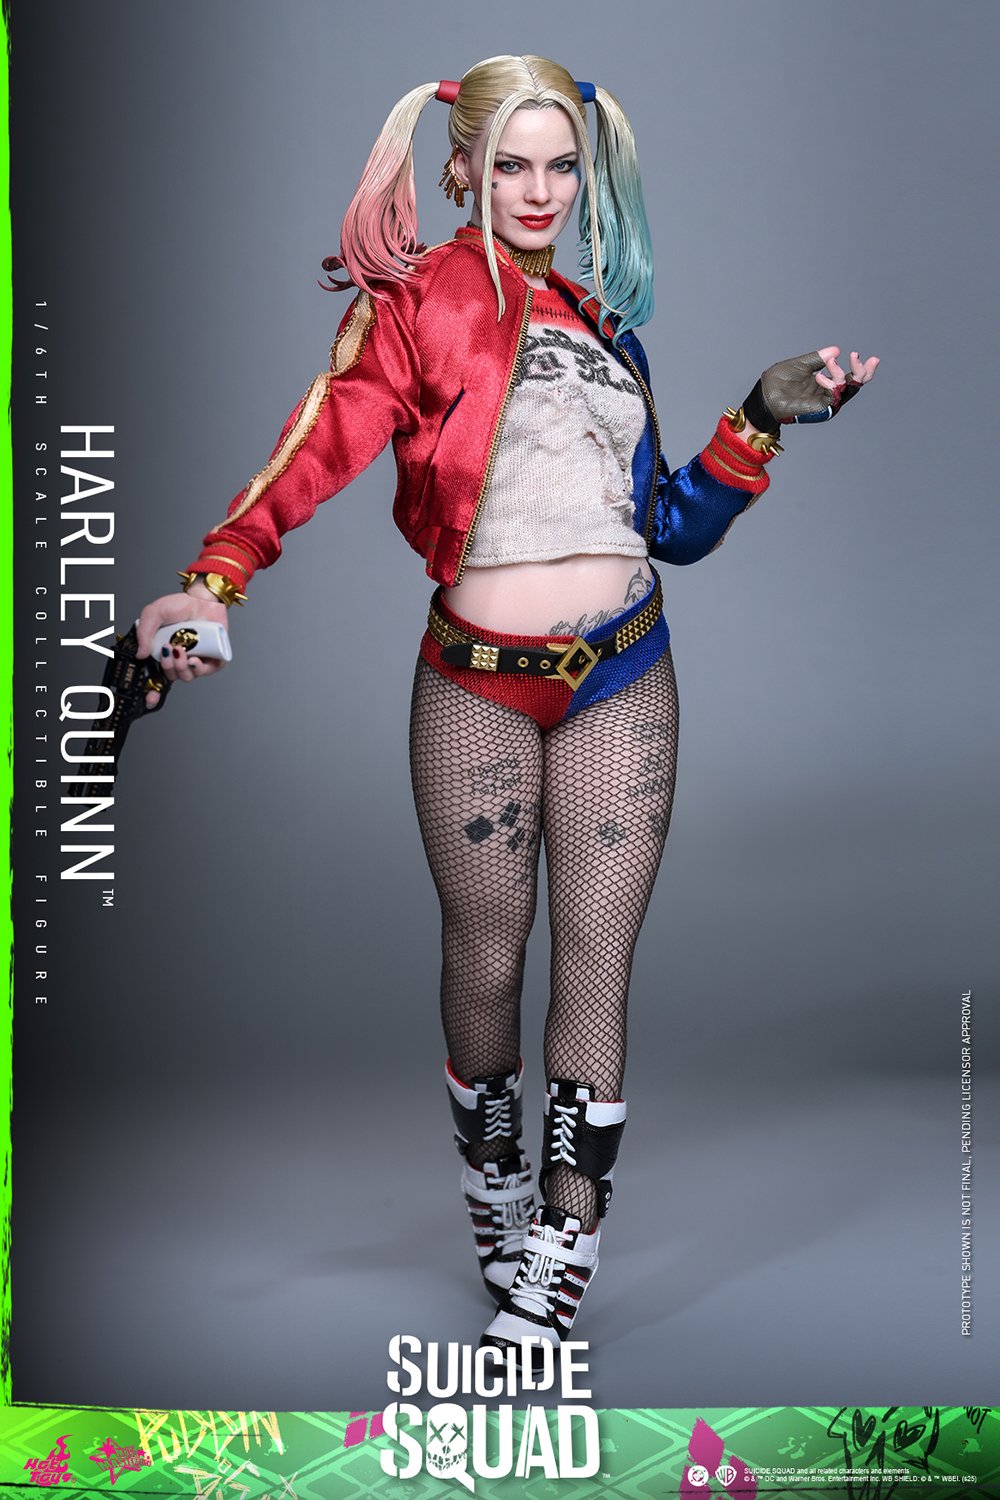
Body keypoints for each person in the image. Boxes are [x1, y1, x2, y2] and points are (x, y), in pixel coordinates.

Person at [137, 54, 877, 1358]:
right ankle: (493, 1174)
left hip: (624, 675)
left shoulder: (605, 327)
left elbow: (665, 527)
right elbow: (319, 444)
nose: (540, 191)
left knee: (596, 959)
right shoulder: (415, 307)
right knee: (485, 961)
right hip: (474, 683)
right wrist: (215, 578)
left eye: (562, 166)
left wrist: (760, 417)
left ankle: (563, 1239)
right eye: (513, 165)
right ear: (462, 170)